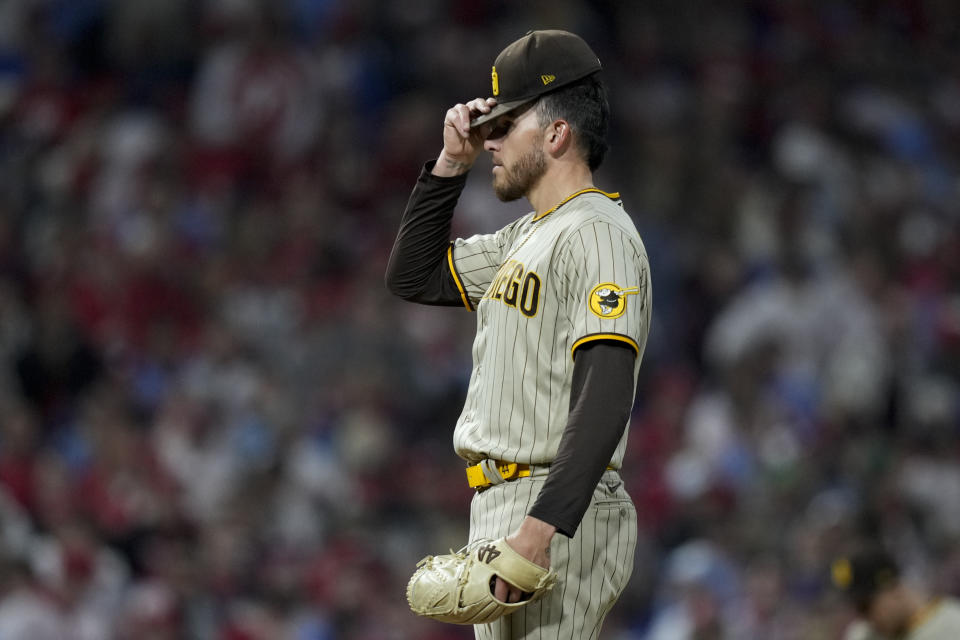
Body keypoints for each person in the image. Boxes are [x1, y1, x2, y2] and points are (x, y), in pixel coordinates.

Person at [385, 29, 651, 639]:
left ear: (557, 134)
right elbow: (413, 275)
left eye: (507, 124)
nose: (492, 139)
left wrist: (540, 531)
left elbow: (606, 392)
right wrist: (451, 162)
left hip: (555, 512)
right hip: (505, 506)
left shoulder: (598, 232)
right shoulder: (525, 235)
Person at [831, 547, 960, 640]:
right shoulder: (864, 634)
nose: (864, 619)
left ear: (892, 587)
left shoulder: (953, 626)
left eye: (865, 607)